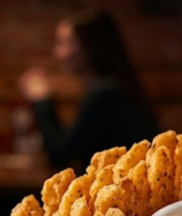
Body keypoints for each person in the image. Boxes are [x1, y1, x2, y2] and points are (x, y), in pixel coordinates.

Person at [19, 10, 157, 168]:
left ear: (89, 45)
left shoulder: (105, 95)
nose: (57, 53)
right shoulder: (113, 89)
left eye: (64, 43)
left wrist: (42, 101)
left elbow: (60, 155)